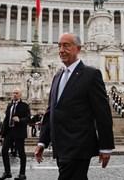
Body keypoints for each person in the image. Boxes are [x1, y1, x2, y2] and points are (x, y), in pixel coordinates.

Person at [34, 32, 115, 180]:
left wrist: (105, 146)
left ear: (78, 49)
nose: (61, 50)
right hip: (60, 146)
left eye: (66, 46)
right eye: (59, 46)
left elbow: (102, 112)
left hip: (79, 145)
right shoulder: (57, 77)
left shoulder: (91, 75)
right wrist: (42, 141)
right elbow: (51, 110)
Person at [0, 88, 31, 180]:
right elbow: (6, 120)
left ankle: (22, 173)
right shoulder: (9, 105)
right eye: (13, 93)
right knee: (4, 150)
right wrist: (1, 133)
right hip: (9, 132)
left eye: (17, 93)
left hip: (19, 132)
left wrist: (20, 120)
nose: (15, 94)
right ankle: (7, 172)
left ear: (20, 95)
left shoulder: (24, 105)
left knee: (21, 153)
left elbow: (28, 118)